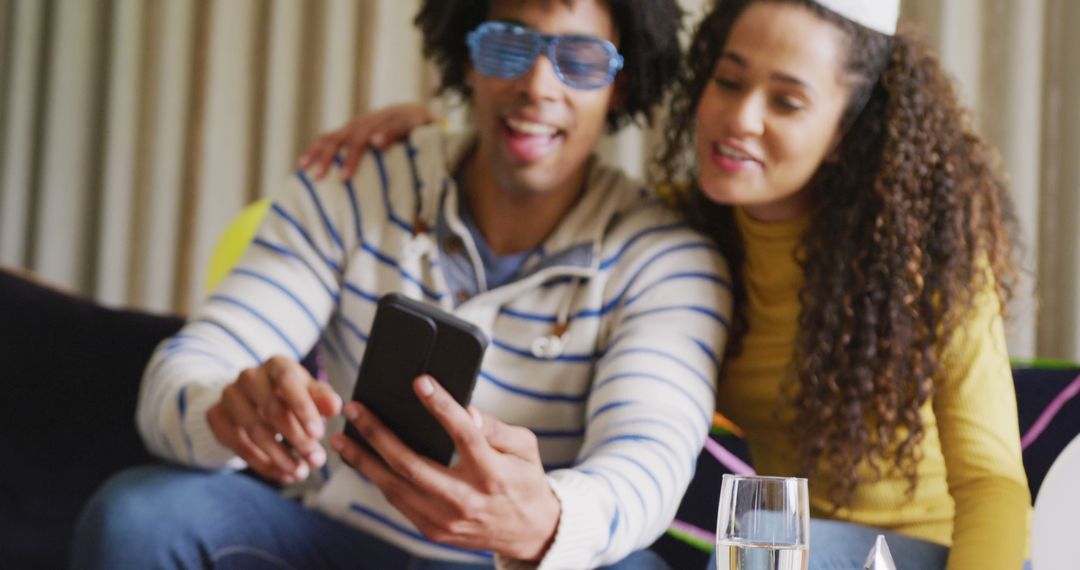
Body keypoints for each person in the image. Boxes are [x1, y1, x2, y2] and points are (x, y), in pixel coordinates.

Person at [304, 1, 1032, 568]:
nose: (740, 118)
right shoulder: (686, 232)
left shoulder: (923, 261)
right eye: (730, 79)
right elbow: (546, 173)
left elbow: (994, 486)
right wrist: (437, 136)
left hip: (922, 555)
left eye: (786, 101)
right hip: (776, 546)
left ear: (848, 128)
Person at [69, 1, 733, 569]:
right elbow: (182, 374)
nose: (538, 85)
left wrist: (545, 520)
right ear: (467, 56)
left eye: (581, 61)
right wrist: (225, 410)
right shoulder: (357, 181)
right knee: (139, 514)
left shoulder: (666, 261)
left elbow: (646, 463)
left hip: (510, 562)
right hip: (331, 540)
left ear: (620, 84)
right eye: (509, 46)